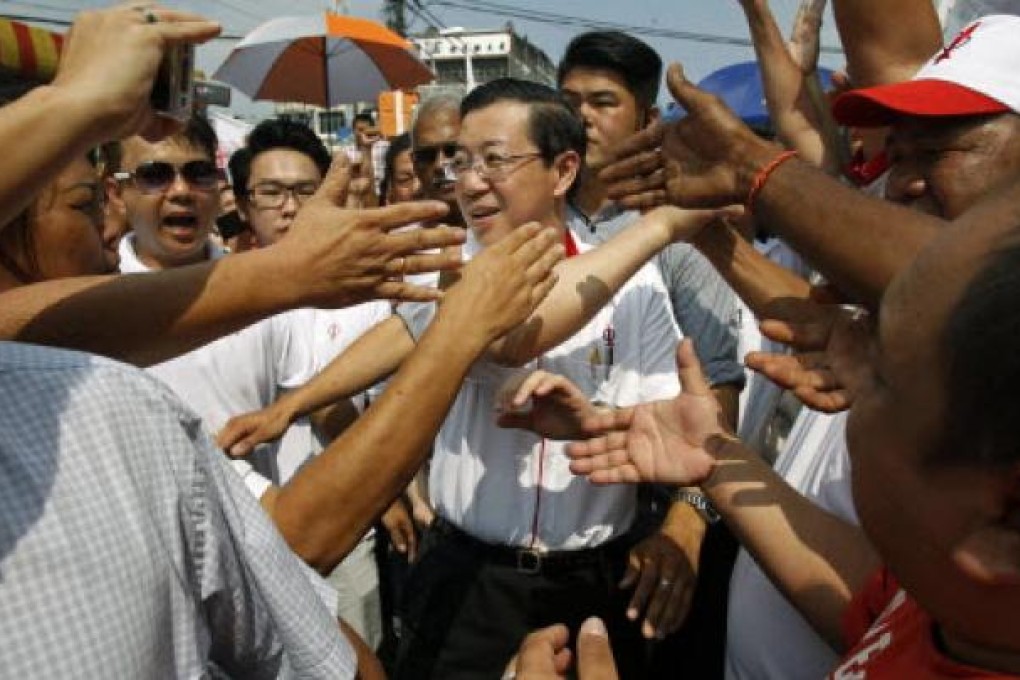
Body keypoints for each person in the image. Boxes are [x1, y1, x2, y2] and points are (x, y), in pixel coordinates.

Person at [563, 175, 1020, 678]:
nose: (844, 371)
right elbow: (866, 600)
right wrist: (716, 457)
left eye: (881, 376)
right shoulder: (950, 606)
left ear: (1004, 523)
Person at [557, 30, 744, 428]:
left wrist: (693, 492)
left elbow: (718, 380)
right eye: (569, 102)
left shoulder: (682, 232)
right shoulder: (536, 217)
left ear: (649, 120)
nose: (582, 116)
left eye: (604, 102)